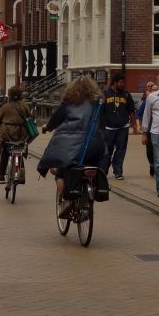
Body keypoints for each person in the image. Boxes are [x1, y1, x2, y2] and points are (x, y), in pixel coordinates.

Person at [39, 76, 106, 218]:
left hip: (72, 145)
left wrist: (47, 127)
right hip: (94, 145)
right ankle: (92, 191)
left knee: (61, 172)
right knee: (94, 164)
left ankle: (67, 201)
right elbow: (103, 124)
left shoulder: (69, 102)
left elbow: (56, 119)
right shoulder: (98, 102)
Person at [100, 75, 136, 180]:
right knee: (107, 151)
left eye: (123, 82)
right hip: (108, 128)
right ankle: (103, 171)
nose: (122, 84)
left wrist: (134, 125)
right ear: (114, 83)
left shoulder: (126, 95)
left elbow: (131, 110)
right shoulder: (104, 94)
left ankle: (118, 171)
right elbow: (100, 112)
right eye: (120, 82)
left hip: (123, 127)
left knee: (121, 150)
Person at [0, 87, 33, 182]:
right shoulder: (24, 106)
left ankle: (2, 176)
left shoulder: (5, 107)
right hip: (21, 134)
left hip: (7, 134)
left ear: (10, 95)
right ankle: (22, 171)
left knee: (5, 152)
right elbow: (30, 118)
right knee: (20, 149)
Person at [135, 81, 156, 176]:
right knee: (149, 152)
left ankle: (158, 168)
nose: (155, 92)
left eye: (156, 90)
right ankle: (152, 164)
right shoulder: (147, 101)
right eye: (153, 90)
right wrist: (139, 126)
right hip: (149, 130)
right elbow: (138, 114)